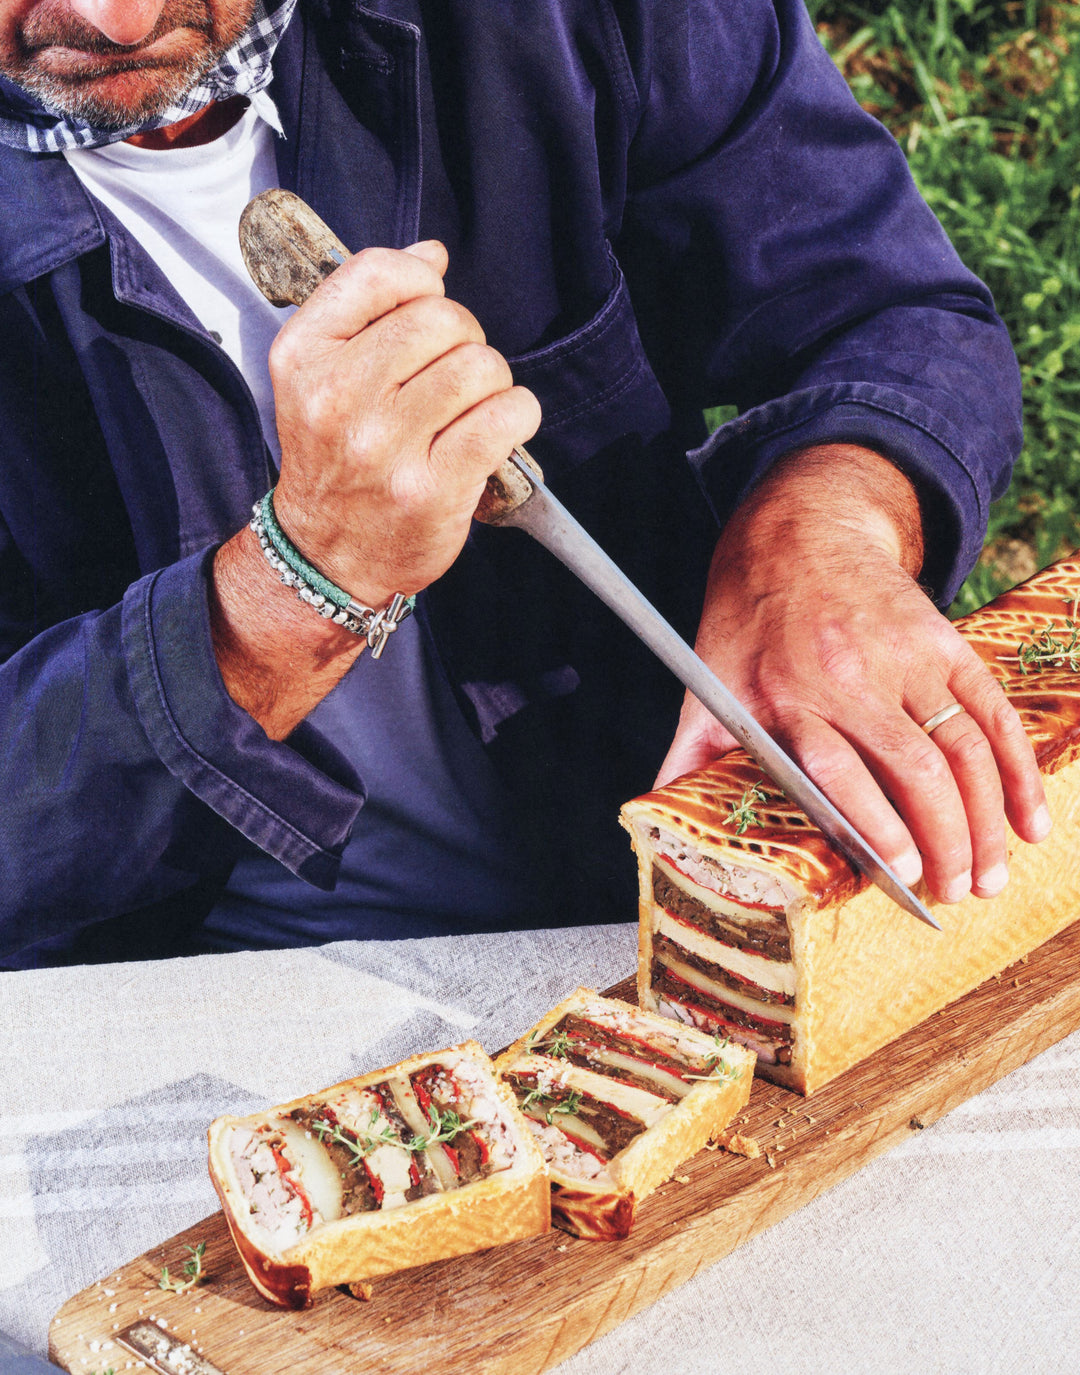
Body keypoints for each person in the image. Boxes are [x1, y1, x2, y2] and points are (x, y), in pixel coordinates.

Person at [0, 0, 1050, 969]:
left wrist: (819, 538)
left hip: (667, 863)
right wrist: (286, 595)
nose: (114, 20)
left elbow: (882, 307)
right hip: (182, 980)